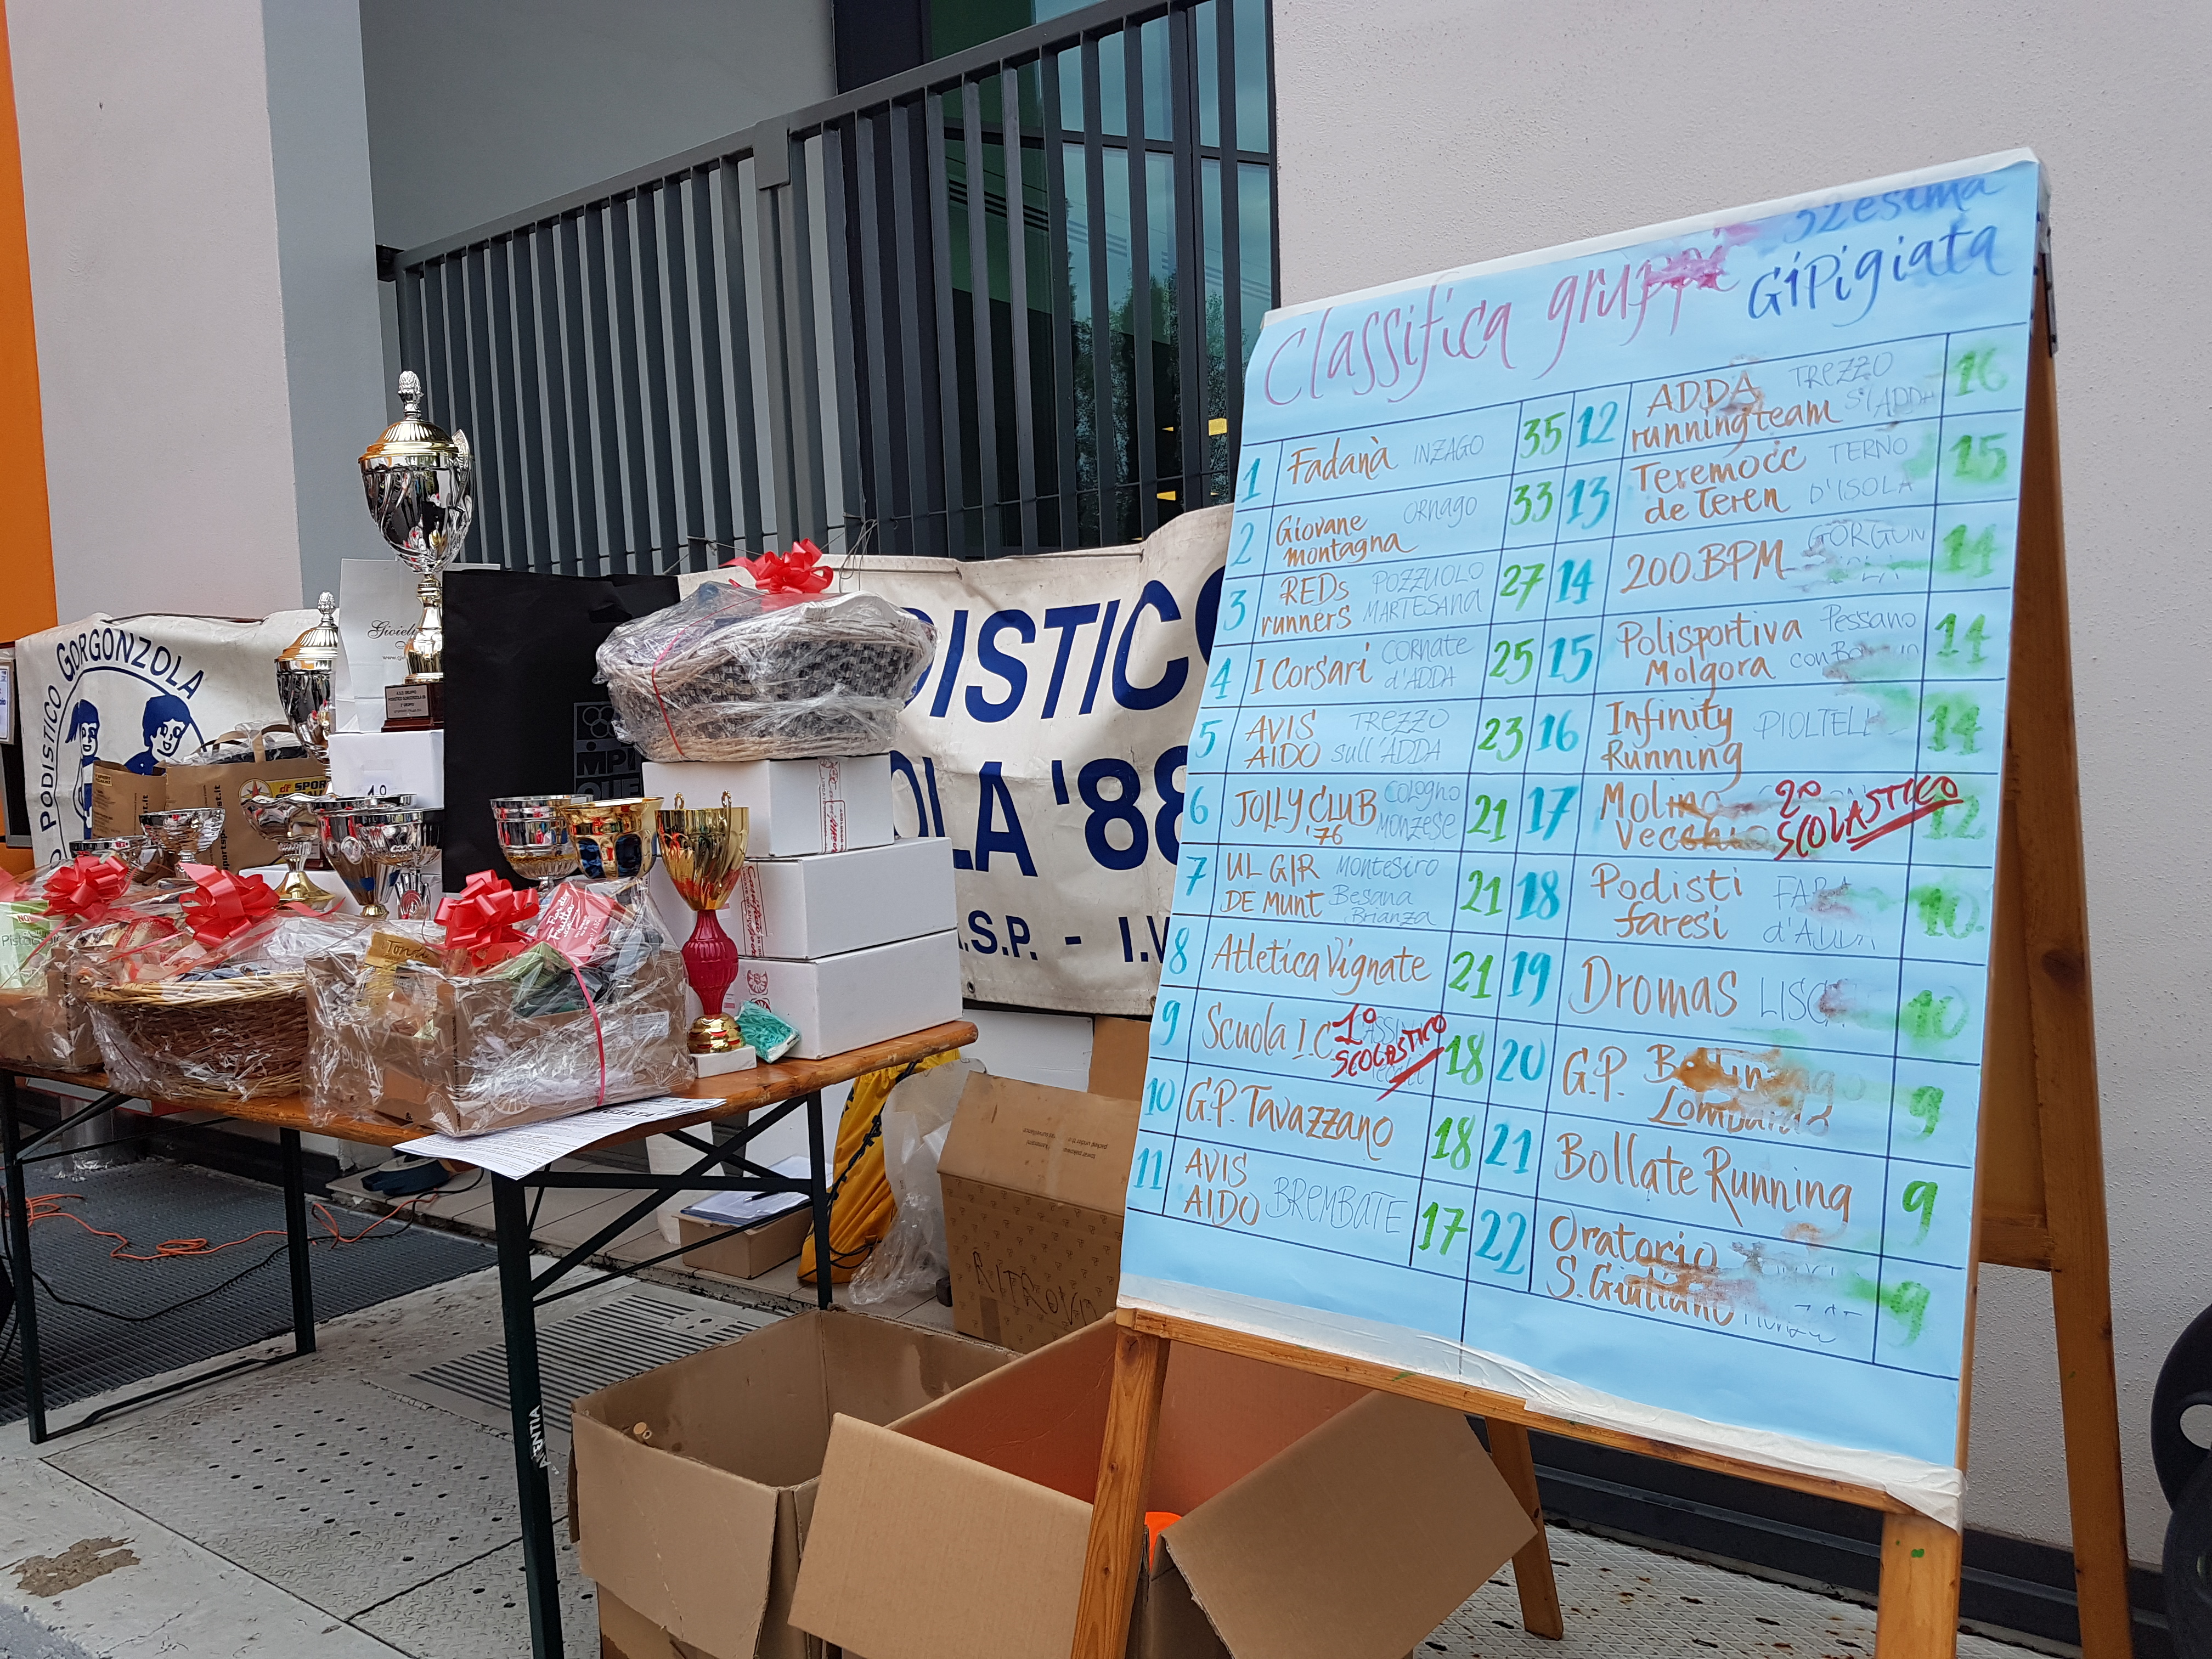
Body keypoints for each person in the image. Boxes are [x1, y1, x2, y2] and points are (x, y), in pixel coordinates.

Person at [125, 693, 192, 775]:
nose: (169, 737)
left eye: (176, 732)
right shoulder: (138, 765)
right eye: (164, 730)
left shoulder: (180, 769)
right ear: (152, 730)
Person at [64, 700, 99, 836]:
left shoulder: (98, 767)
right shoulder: (73, 764)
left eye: (92, 733)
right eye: (83, 733)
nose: (87, 740)